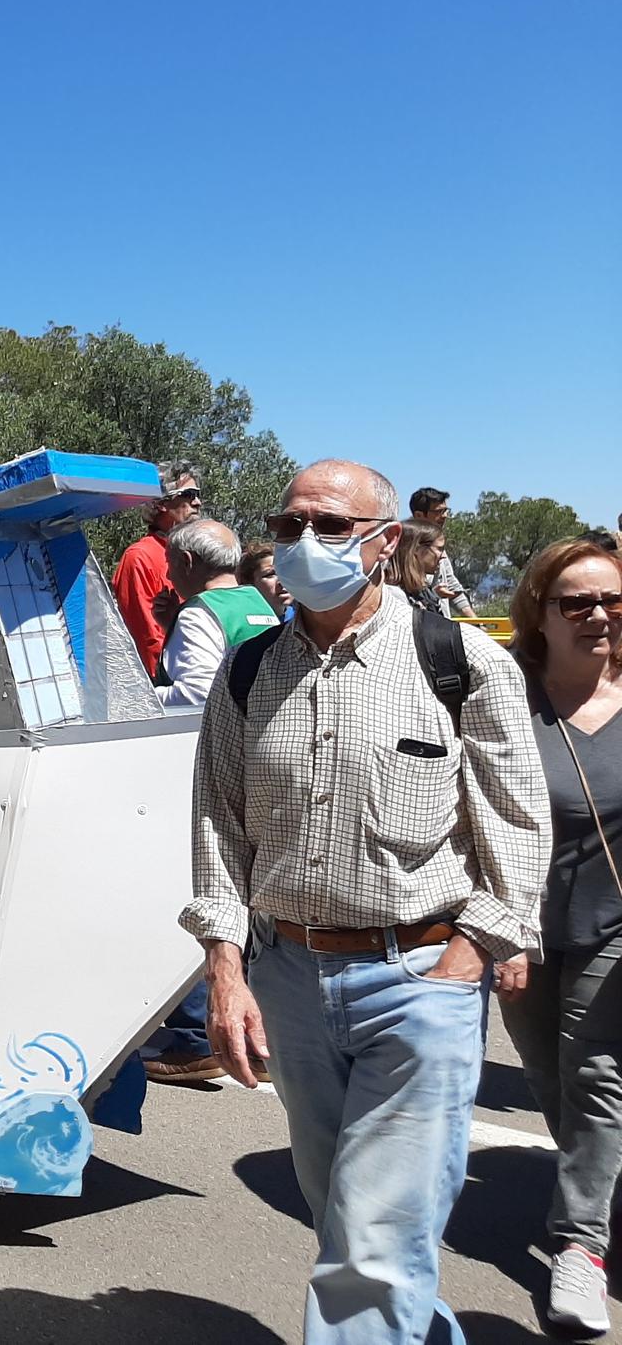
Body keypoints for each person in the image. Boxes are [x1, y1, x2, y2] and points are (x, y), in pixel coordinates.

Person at [186, 458, 548, 1345]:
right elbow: (218, 831)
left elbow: (517, 820)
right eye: (288, 524)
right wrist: (226, 971)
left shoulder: (459, 661)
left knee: (377, 1241)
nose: (305, 543)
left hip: (419, 979)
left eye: (332, 526)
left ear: (385, 542)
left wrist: (476, 949)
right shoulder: (247, 673)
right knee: (345, 1218)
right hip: (291, 983)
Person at [497, 539, 622, 1336]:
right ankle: (601, 1196)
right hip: (522, 929)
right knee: (549, 1078)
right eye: (577, 603)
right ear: (539, 615)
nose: (600, 615)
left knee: (597, 1074)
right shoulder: (506, 696)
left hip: (614, 930)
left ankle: (581, 1245)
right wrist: (494, 928)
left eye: (613, 600)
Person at [139, 521, 279, 1085]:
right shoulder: (259, 605)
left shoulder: (202, 612)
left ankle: (195, 1033)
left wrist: (137, 694)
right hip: (261, 757)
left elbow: (196, 693)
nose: (168, 572)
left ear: (191, 563)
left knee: (208, 890)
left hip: (215, 761)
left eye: (173, 561)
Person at [158, 520, 280, 711]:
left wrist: (146, 697)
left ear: (186, 561)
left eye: (169, 563)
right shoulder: (257, 601)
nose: (168, 575)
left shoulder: (197, 614)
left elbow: (198, 694)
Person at [111, 460, 201, 679]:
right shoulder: (139, 557)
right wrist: (168, 684)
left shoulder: (199, 555)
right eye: (188, 494)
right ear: (161, 502)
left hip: (203, 676)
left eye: (198, 494)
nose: (197, 502)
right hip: (171, 686)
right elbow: (148, 637)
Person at [409, 487, 477, 617]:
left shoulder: (438, 546)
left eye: (445, 510)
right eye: (439, 511)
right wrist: (433, 595)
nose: (444, 516)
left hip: (441, 628)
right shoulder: (403, 548)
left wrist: (477, 624)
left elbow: (451, 586)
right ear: (419, 515)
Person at [389, 518, 448, 615]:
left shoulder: (424, 592)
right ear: (417, 549)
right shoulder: (394, 595)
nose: (443, 556)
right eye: (439, 549)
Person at [237, 543, 287, 616]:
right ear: (249, 582)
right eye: (270, 575)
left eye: (285, 573)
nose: (282, 582)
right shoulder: (241, 621)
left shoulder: (305, 617)